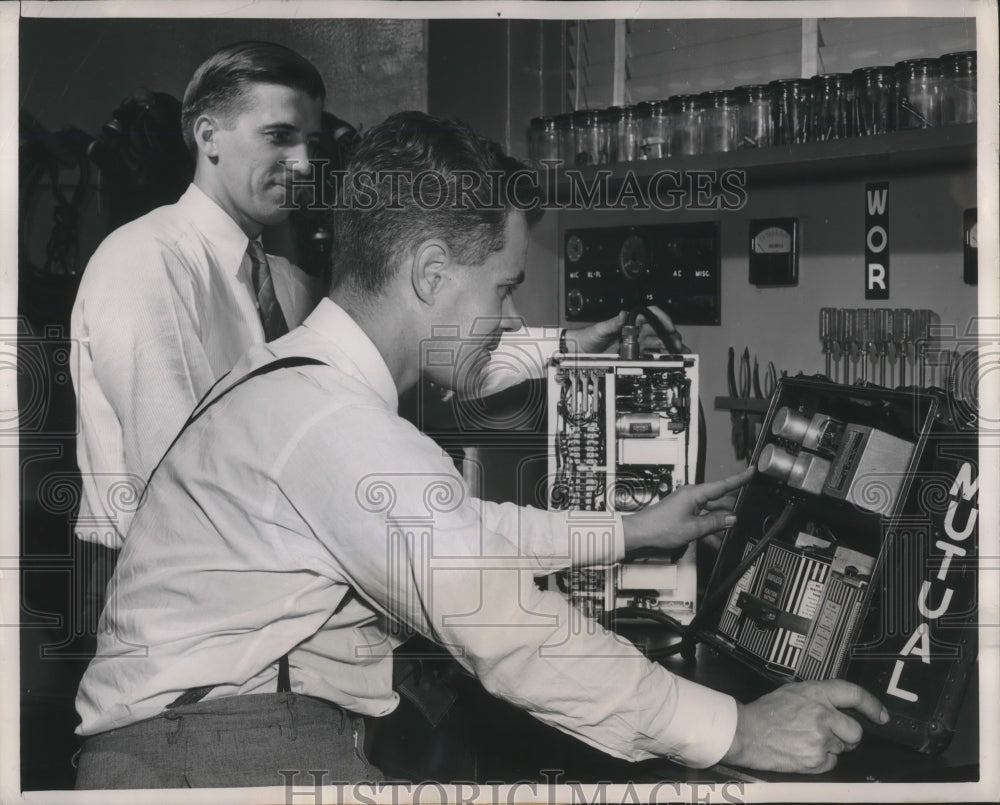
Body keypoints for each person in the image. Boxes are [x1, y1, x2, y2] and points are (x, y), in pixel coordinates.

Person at [74, 111, 888, 790]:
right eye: (502, 286)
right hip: (207, 752)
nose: (508, 319)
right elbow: (511, 629)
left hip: (202, 739)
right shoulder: (330, 423)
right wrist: (741, 728)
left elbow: (461, 530)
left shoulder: (292, 383)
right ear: (432, 272)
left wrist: (632, 530)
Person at [70, 40, 677, 554]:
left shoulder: (285, 282)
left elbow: (420, 358)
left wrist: (571, 346)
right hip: (157, 583)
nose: (302, 164)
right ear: (208, 135)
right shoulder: (145, 260)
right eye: (278, 137)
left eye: (310, 142)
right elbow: (174, 485)